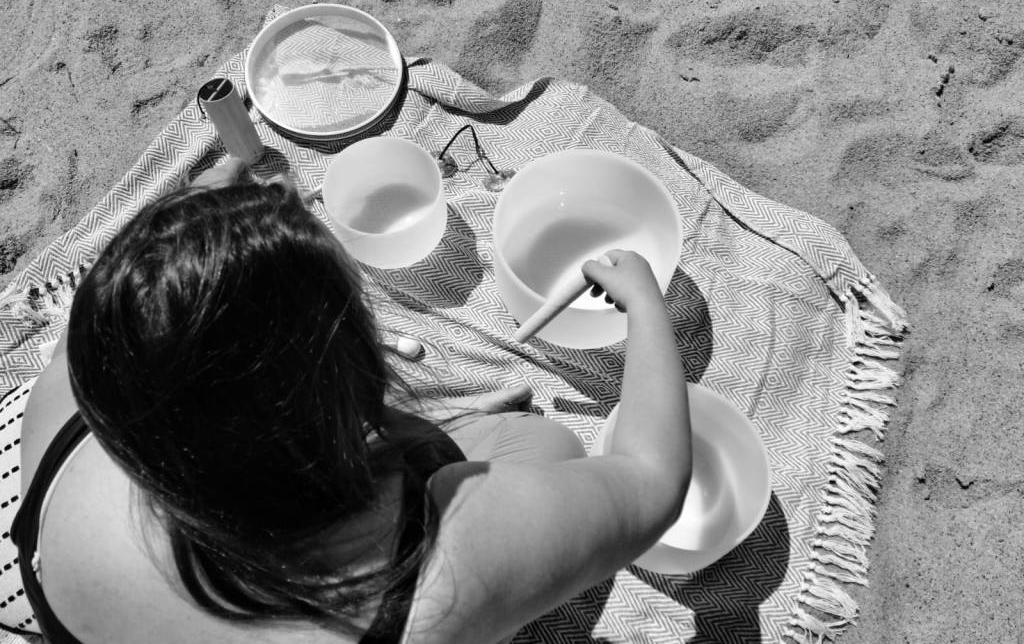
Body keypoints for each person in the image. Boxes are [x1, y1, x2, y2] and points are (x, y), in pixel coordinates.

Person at [1, 158, 692, 643]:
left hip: (81, 592)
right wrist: (643, 306)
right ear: (348, 397)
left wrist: (213, 215)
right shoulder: (434, 584)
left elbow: (148, 303)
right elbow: (650, 481)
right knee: (547, 446)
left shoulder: (72, 399)